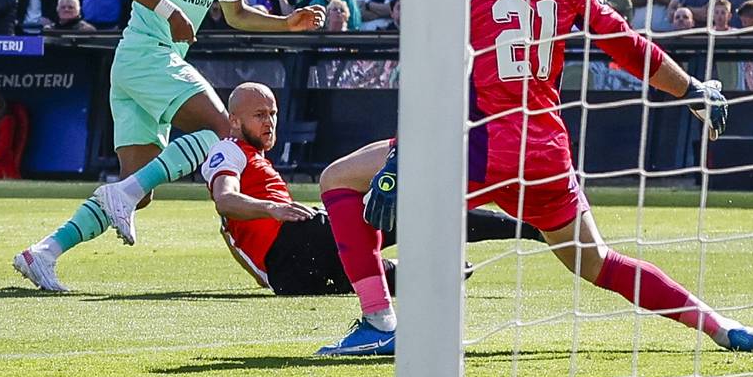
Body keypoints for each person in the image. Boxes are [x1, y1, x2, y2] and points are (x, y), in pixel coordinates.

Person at [316, 0, 753, 356]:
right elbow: (629, 47)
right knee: (598, 262)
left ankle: (380, 320)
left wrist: (402, 157)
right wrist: (693, 89)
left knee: (338, 179)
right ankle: (719, 325)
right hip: (544, 153)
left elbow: (432, 73)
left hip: (473, 145)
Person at [14, 0, 327, 293]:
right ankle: (120, 196)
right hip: (148, 54)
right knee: (224, 129)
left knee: (139, 192)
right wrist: (169, 10)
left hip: (142, 65)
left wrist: (286, 23)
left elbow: (236, 14)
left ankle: (43, 253)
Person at [201, 83, 539, 299]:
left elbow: (238, 234)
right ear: (234, 121)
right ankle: (532, 226)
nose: (269, 122)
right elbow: (225, 199)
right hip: (299, 242)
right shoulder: (228, 150)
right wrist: (271, 209)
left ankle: (449, 266)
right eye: (259, 115)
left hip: (292, 278)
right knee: (417, 214)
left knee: (411, 276)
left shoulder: (252, 158)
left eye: (273, 114)